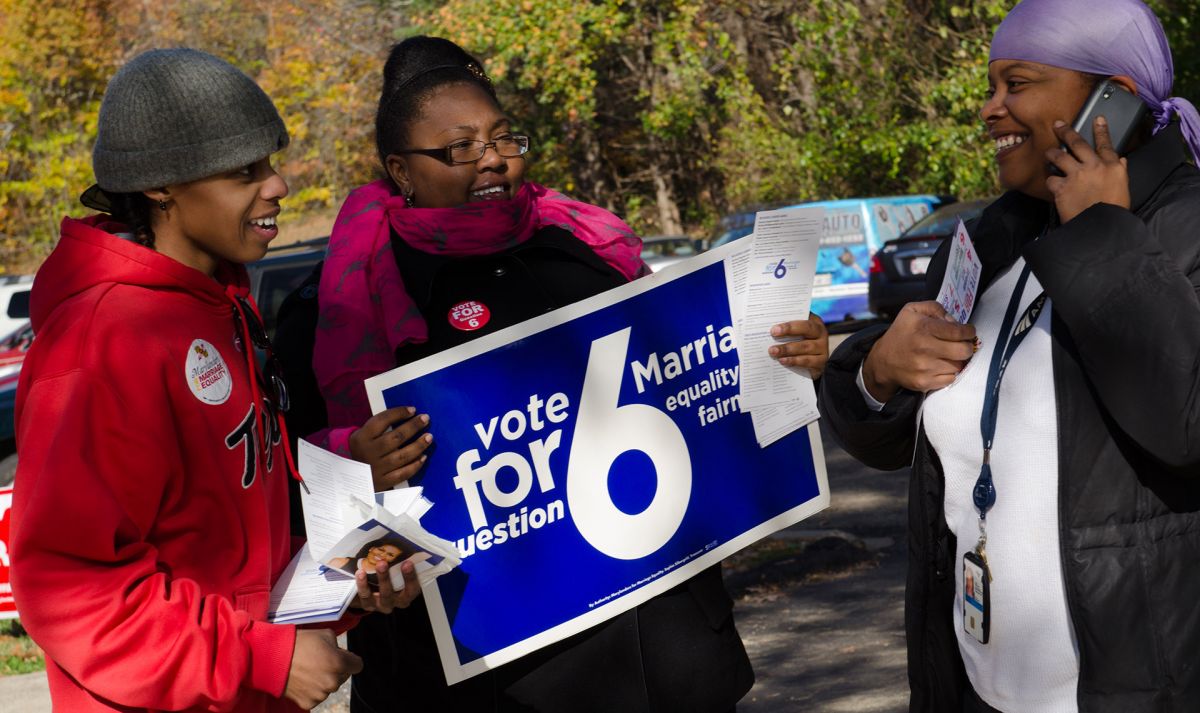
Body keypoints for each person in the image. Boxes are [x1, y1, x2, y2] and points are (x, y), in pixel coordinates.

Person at [280, 35, 828, 713]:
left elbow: (699, 390)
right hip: (494, 682)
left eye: (503, 137)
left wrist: (787, 360)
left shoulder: (589, 247)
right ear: (400, 167)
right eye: (459, 146)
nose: (492, 160)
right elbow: (305, 506)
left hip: (672, 658)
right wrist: (356, 472)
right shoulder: (339, 306)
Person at [817, 1, 1200, 711]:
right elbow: (885, 433)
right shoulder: (988, 240)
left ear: (1108, 97)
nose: (991, 111)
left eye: (1015, 84)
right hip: (976, 684)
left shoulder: (1186, 226)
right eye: (990, 88)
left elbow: (1187, 424)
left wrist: (1103, 236)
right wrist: (877, 373)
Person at [9, 48, 417, 713]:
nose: (278, 185)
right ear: (160, 186)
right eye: (243, 171)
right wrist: (265, 657)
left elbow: (235, 542)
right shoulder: (101, 337)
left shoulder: (223, 303)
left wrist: (353, 572)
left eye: (271, 162)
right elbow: (78, 590)